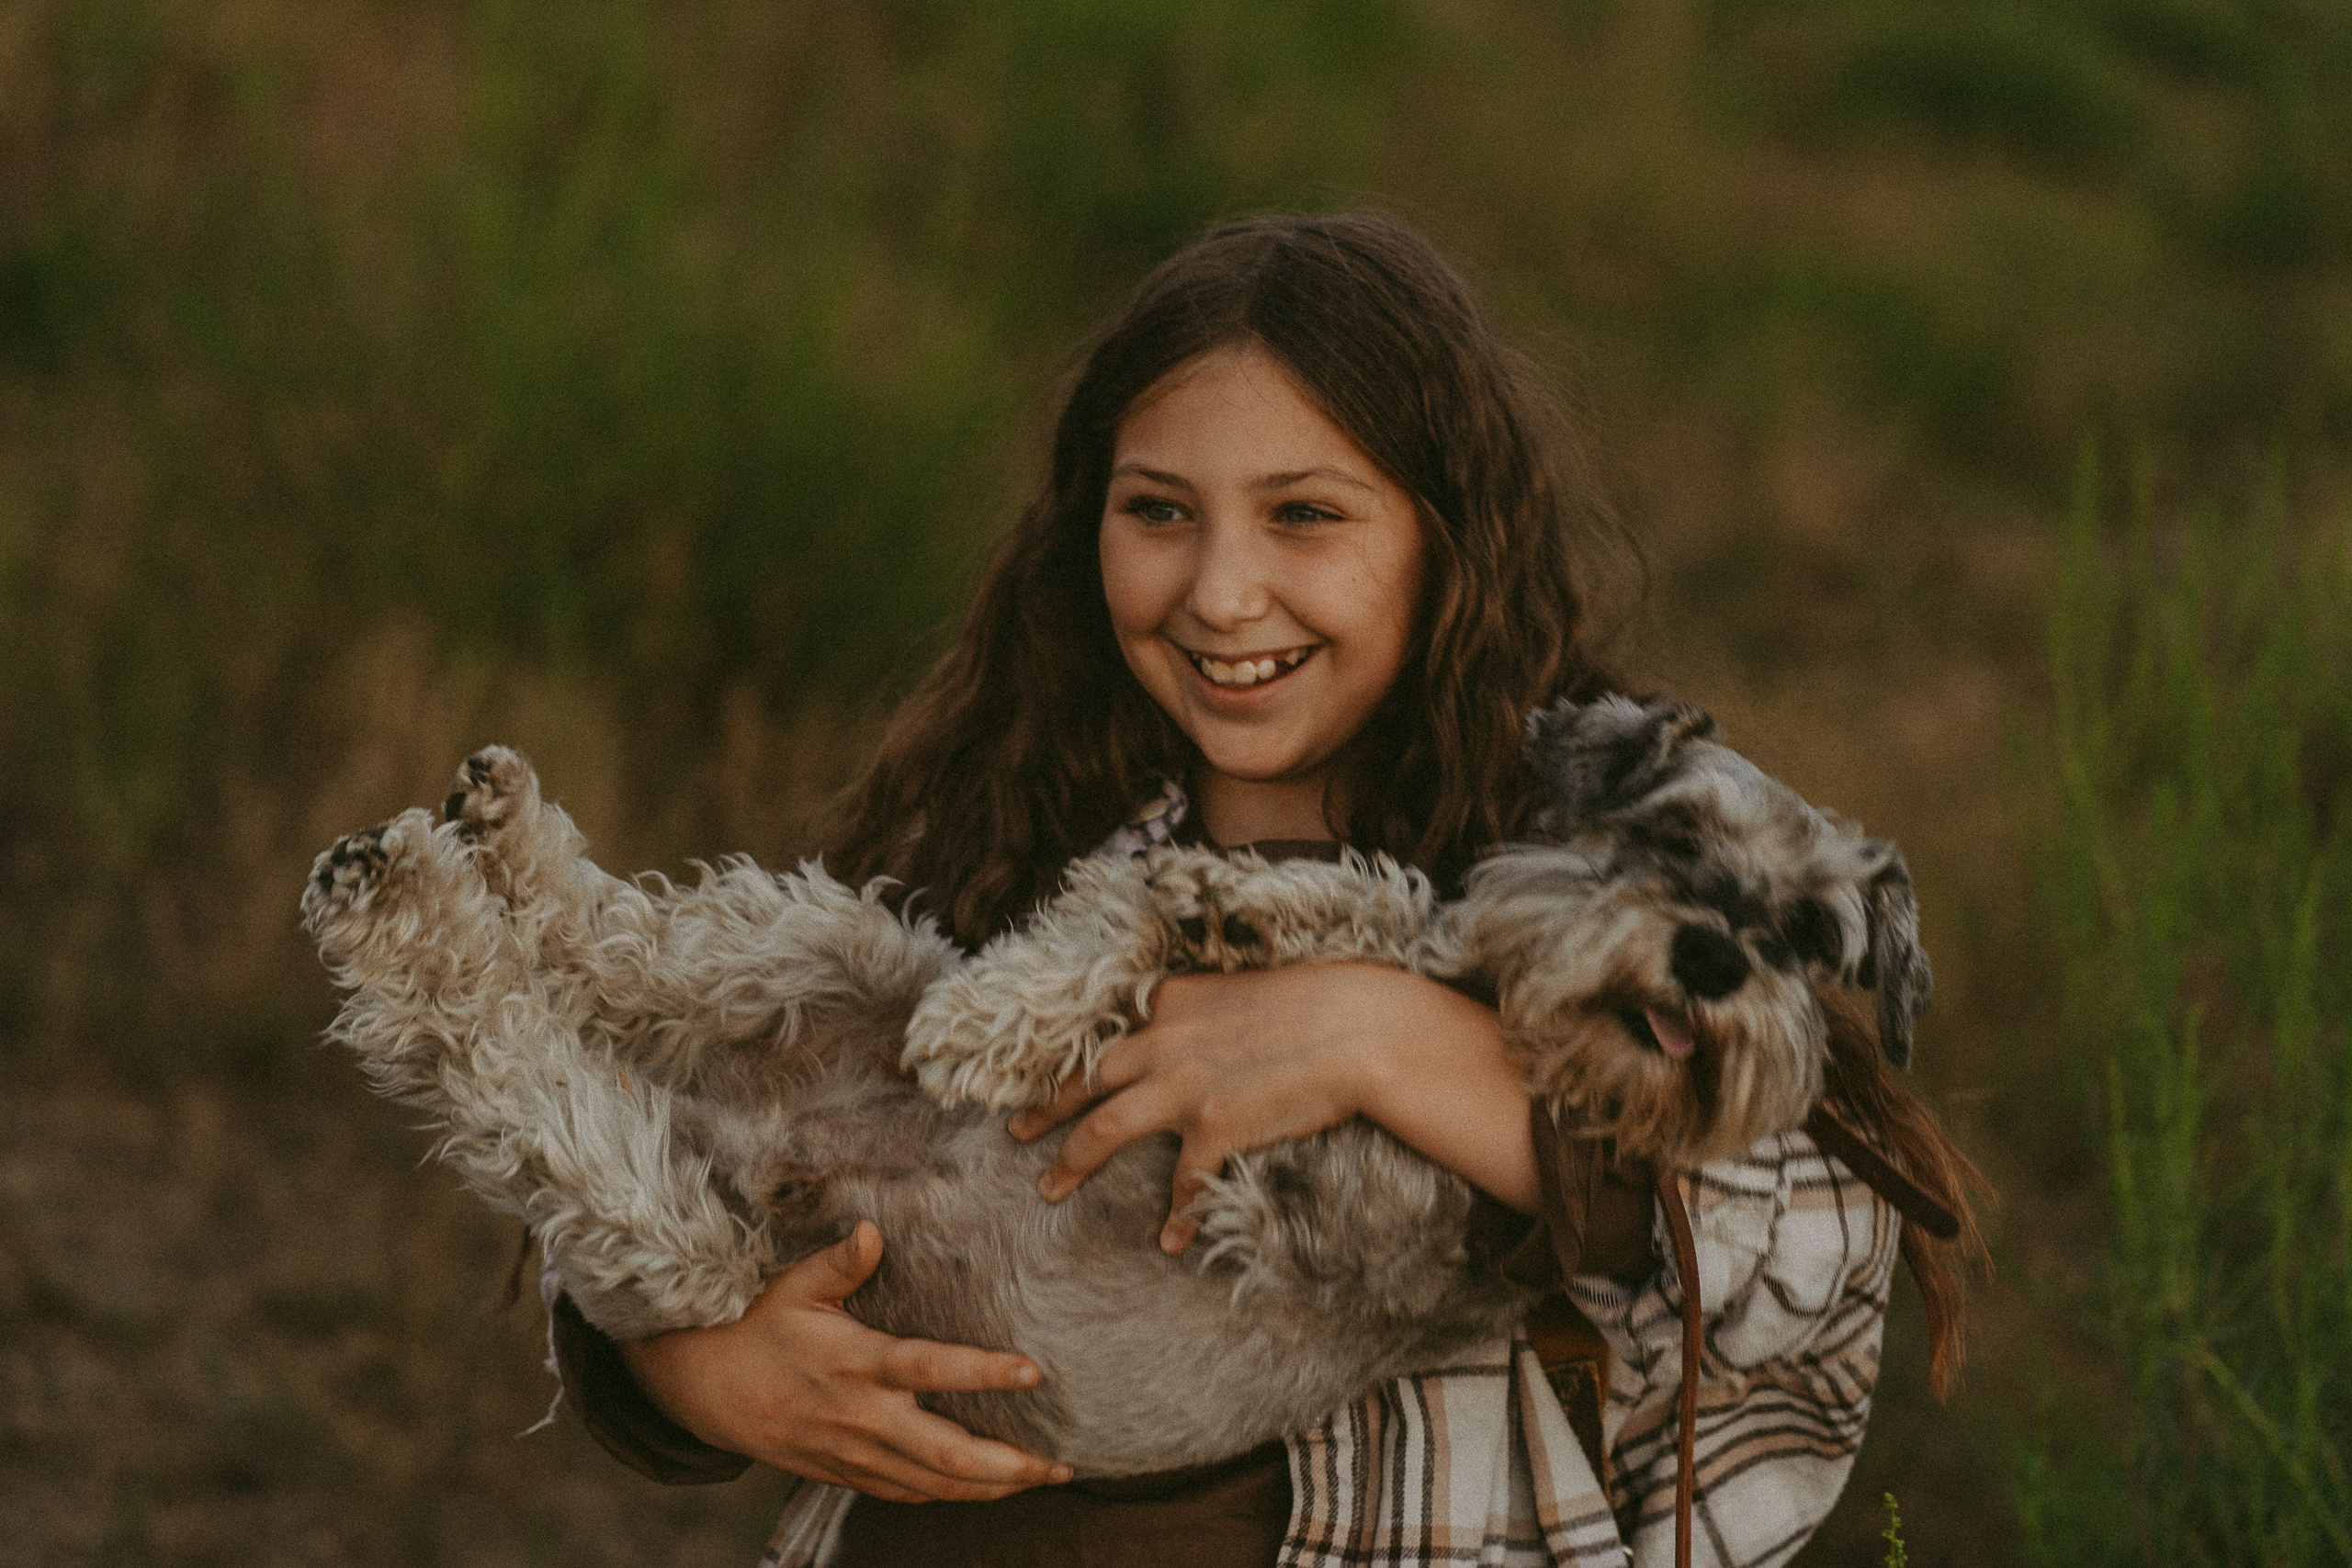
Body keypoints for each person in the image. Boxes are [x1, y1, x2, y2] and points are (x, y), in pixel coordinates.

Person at [546, 210, 1982, 1568]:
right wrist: (685, 1363)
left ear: (1445, 537)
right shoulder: (1006, 844)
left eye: (1305, 515)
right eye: (1158, 511)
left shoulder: (1600, 860)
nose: (1223, 592)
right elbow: (644, 1143)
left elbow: (1816, 1250)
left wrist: (1386, 1034)